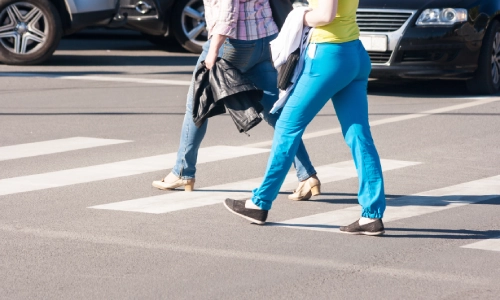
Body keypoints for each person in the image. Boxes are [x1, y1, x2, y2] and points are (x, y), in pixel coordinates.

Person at [223, 0, 387, 236]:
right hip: (354, 53)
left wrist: (298, 16)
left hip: (328, 55)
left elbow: (326, 15)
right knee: (359, 134)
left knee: (287, 126)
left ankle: (259, 203)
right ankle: (371, 215)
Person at [152, 0, 321, 200]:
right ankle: (307, 176)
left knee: (197, 105)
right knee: (275, 110)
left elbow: (227, 11)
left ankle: (182, 172)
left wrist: (213, 50)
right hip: (266, 38)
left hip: (233, 43)